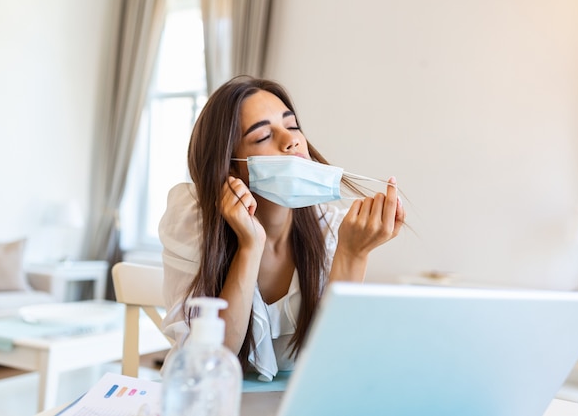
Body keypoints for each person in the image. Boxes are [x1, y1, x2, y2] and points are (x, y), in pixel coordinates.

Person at [159, 75, 406, 381]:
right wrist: (250, 245)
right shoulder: (194, 217)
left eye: (292, 126)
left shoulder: (328, 226)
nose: (291, 141)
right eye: (263, 136)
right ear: (231, 166)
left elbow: (332, 360)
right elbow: (208, 364)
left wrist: (352, 253)